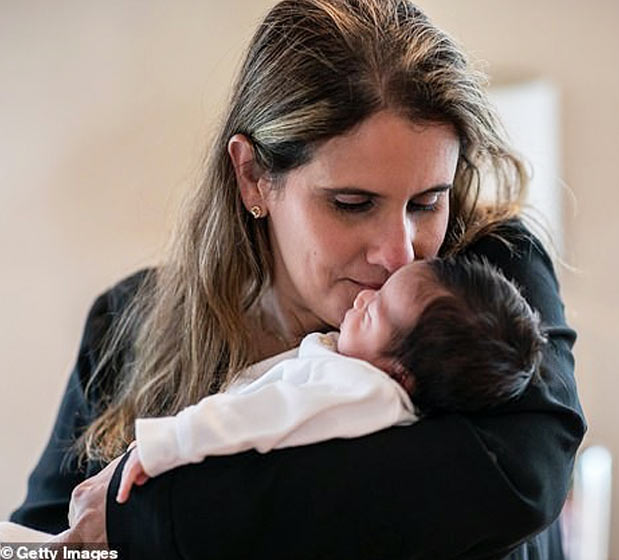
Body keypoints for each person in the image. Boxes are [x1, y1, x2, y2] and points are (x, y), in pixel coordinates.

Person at [10, 0, 586, 558]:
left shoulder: (486, 282)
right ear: (253, 176)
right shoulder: (130, 319)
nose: (400, 254)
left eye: (427, 202)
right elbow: (40, 540)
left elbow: (514, 480)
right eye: (353, 203)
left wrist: (153, 518)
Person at [110, 256, 548, 502]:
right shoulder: (359, 374)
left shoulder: (366, 393)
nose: (363, 295)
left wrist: (171, 441)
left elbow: (263, 414)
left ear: (399, 373)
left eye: (375, 311)